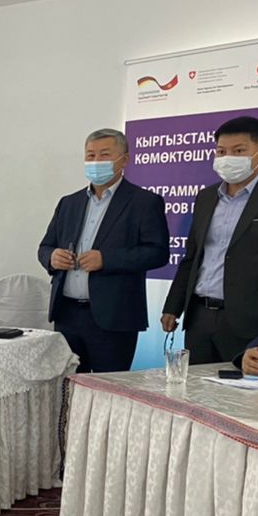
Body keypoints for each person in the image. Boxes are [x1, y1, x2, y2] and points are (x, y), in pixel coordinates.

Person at [162, 116, 258, 364]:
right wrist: (173, 306)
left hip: (255, 322)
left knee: (244, 387)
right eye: (221, 151)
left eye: (239, 151)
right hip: (199, 317)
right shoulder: (206, 197)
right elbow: (193, 257)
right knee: (195, 386)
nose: (228, 158)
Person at [38, 128, 169, 373]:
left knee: (107, 388)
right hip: (67, 315)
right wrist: (52, 257)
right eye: (91, 155)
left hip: (114, 318)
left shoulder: (144, 202)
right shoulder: (69, 203)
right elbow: (45, 247)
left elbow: (158, 253)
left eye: (104, 155)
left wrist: (107, 260)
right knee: (67, 386)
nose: (96, 161)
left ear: (124, 160)